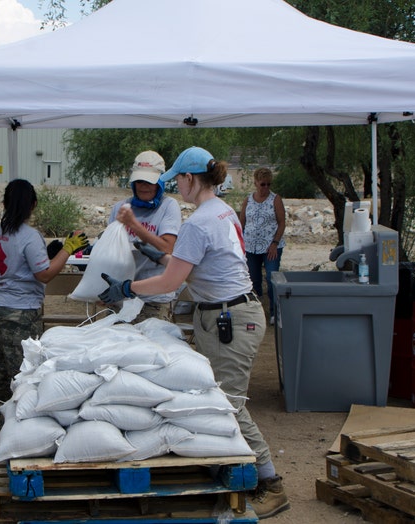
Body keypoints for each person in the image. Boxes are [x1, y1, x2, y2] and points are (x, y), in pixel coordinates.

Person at [99, 147, 290, 519]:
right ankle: (229, 466)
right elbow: (188, 261)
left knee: (229, 404)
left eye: (177, 181)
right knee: (216, 398)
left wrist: (127, 289)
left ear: (190, 179)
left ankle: (271, 482)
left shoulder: (200, 221)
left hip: (231, 319)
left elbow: (172, 280)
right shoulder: (221, 212)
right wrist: (150, 250)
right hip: (228, 315)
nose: (175, 189)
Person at [0, 180, 88, 429]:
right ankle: (20, 421)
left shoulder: (0, 231)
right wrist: (67, 251)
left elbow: (23, 262)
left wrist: (52, 252)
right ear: (33, 205)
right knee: (23, 369)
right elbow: (43, 274)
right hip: (19, 311)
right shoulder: (29, 236)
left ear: (4, 204)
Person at [109, 151, 182, 322]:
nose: (144, 186)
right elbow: (109, 253)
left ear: (160, 183)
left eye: (150, 182)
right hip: (122, 297)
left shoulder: (168, 206)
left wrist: (133, 224)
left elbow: (167, 247)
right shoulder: (120, 208)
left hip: (154, 299)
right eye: (139, 181)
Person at [238, 167, 286, 325]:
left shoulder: (275, 199)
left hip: (270, 246)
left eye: (268, 184)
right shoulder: (248, 200)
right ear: (256, 183)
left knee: (272, 277)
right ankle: (256, 310)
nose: (265, 188)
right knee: (253, 279)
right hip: (251, 246)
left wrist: (275, 243)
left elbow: (281, 222)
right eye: (263, 184)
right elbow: (242, 223)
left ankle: (275, 311)